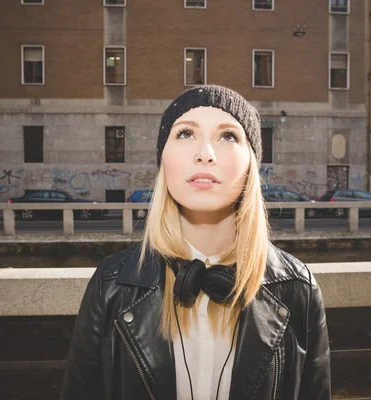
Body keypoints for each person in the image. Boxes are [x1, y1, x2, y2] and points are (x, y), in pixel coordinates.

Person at [61, 85, 331, 400]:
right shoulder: (111, 285)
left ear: (251, 164)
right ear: (162, 159)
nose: (205, 153)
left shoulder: (299, 288)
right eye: (185, 133)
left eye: (228, 136)